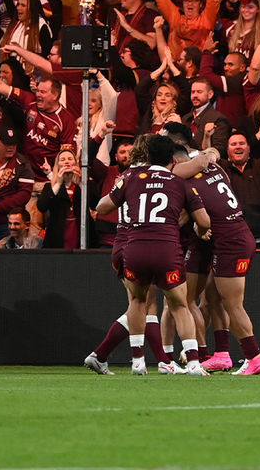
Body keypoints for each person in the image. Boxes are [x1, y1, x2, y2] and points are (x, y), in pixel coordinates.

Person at [95, 133, 212, 375]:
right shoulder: (179, 182)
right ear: (173, 159)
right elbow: (204, 220)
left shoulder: (131, 177)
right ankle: (192, 363)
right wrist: (199, 229)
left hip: (135, 248)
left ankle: (138, 361)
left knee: (138, 302)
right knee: (180, 305)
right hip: (166, 249)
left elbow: (102, 207)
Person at [177, 143, 260, 375]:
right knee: (211, 298)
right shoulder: (215, 169)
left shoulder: (186, 182)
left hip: (231, 244)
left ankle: (254, 357)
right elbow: (212, 153)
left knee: (234, 305)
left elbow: (201, 219)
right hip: (236, 236)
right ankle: (222, 355)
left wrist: (198, 227)